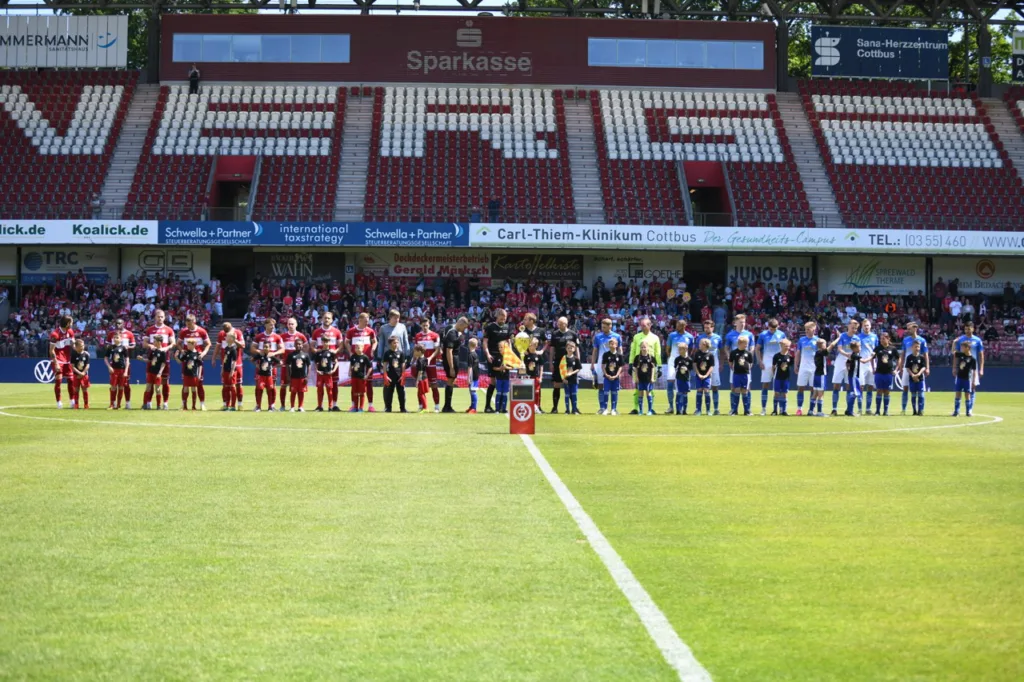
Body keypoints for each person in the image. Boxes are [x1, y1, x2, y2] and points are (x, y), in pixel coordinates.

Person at [827, 319, 860, 416]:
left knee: (849, 386)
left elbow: (858, 350)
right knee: (836, 385)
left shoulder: (857, 339)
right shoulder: (842, 336)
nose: (854, 330)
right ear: (848, 326)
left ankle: (849, 410)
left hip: (851, 363)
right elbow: (839, 349)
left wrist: (852, 356)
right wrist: (847, 355)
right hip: (841, 362)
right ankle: (834, 409)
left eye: (856, 328)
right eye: (852, 327)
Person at [143, 309, 175, 410]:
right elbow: (144, 344)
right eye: (158, 317)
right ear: (155, 317)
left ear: (164, 318)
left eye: (162, 317)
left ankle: (165, 403)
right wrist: (150, 345)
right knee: (151, 382)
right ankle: (148, 402)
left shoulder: (169, 330)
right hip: (152, 360)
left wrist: (166, 348)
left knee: (165, 381)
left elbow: (173, 343)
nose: (160, 318)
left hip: (165, 360)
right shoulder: (150, 330)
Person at [346, 312, 378, 412]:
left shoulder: (370, 331)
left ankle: (370, 405)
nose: (367, 322)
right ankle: (353, 405)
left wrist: (372, 349)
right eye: (365, 320)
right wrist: (350, 352)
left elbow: (375, 341)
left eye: (368, 320)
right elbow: (346, 342)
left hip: (367, 360)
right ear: (360, 320)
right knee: (354, 384)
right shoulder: (351, 331)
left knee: (368, 383)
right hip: (356, 362)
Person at [178, 313, 211, 410]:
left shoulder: (201, 331)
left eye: (189, 324)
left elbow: (208, 344)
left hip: (197, 360)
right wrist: (181, 350)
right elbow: (178, 343)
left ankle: (202, 404)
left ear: (194, 322)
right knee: (185, 383)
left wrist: (203, 353)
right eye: (187, 324)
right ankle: (184, 404)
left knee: (199, 382)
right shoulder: (184, 331)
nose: (188, 326)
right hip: (187, 360)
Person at [629, 317, 661, 415]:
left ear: (650, 325)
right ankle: (636, 408)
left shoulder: (655, 338)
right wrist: (631, 364)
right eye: (641, 325)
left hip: (650, 367)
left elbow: (657, 352)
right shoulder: (636, 337)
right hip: (638, 366)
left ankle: (651, 409)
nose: (642, 327)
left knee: (650, 388)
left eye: (644, 325)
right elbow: (633, 350)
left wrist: (659, 366)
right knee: (637, 388)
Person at [483, 309, 513, 413]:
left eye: (505, 317)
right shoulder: (490, 327)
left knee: (503, 381)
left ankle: (501, 407)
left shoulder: (507, 327)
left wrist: (510, 355)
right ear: (497, 316)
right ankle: (487, 406)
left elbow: (509, 342)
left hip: (504, 357)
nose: (503, 319)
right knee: (493, 382)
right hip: (493, 357)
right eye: (502, 317)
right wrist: (487, 354)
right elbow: (485, 342)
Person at [897, 322, 930, 416]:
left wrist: (927, 368)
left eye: (909, 328)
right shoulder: (905, 340)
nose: (908, 330)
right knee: (905, 388)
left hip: (919, 368)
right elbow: (902, 354)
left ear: (915, 328)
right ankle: (903, 409)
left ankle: (920, 409)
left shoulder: (922, 340)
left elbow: (926, 355)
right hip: (907, 368)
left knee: (920, 390)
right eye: (907, 328)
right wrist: (900, 366)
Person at [592, 318, 623, 416]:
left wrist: (620, 363)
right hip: (602, 364)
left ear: (610, 326)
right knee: (601, 386)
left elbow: (620, 350)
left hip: (614, 365)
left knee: (614, 387)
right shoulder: (598, 337)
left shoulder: (617, 336)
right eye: (602, 326)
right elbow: (595, 351)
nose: (603, 328)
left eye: (604, 327)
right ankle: (602, 408)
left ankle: (614, 409)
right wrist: (593, 363)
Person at [755, 318, 786, 416]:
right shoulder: (763, 335)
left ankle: (781, 408)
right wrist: (760, 361)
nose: (773, 330)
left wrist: (784, 360)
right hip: (767, 363)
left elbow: (786, 347)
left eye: (775, 328)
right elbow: (757, 349)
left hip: (779, 363)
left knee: (779, 386)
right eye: (772, 329)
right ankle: (763, 409)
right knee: (765, 385)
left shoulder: (781, 334)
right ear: (768, 327)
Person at [252, 318, 284, 412]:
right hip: (261, 365)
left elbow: (282, 349)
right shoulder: (259, 336)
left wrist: (273, 354)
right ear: (265, 325)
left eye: (274, 325)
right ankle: (258, 405)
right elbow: (252, 348)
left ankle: (272, 405)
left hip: (271, 365)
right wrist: (259, 351)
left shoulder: (277, 337)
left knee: (272, 387)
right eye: (270, 324)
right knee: (258, 386)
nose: (273, 326)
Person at [549, 316, 579, 414]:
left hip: (570, 363)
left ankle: (574, 408)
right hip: (558, 362)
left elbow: (577, 348)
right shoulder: (555, 334)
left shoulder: (573, 334)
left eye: (560, 323)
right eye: (558, 323)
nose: (558, 325)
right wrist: (550, 362)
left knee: (570, 385)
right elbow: (552, 349)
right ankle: (555, 408)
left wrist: (578, 360)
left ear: (566, 324)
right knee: (557, 385)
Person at [279, 317, 308, 414]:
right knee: (283, 385)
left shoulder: (301, 336)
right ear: (287, 325)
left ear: (296, 325)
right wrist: (280, 359)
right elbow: (279, 348)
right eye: (289, 324)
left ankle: (300, 406)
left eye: (292, 324)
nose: (291, 325)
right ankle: (283, 406)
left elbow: (306, 347)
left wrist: (302, 357)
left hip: (298, 367)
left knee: (299, 388)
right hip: (286, 365)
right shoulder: (282, 336)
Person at [665, 320, 694, 415]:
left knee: (681, 385)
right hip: (673, 360)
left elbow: (691, 349)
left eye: (679, 325)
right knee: (670, 384)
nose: (677, 326)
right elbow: (667, 349)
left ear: (684, 326)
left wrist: (686, 358)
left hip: (684, 362)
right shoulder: (672, 335)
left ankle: (681, 407)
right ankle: (671, 406)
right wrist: (671, 357)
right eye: (676, 325)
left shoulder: (689, 336)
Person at [440, 317, 469, 413]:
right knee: (450, 380)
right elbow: (449, 351)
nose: (464, 330)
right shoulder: (452, 333)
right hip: (452, 358)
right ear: (460, 323)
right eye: (464, 327)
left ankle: (447, 406)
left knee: (451, 380)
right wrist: (451, 367)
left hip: (451, 357)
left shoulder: (449, 327)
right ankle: (447, 406)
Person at [414, 317, 443, 413]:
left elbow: (437, 349)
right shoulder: (417, 336)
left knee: (434, 385)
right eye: (423, 325)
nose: (425, 327)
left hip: (431, 365)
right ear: (420, 325)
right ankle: (421, 406)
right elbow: (416, 350)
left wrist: (430, 358)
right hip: (421, 364)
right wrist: (414, 361)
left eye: (426, 325)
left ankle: (437, 406)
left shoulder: (435, 335)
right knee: (420, 385)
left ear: (429, 324)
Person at [215, 322, 245, 411]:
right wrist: (222, 368)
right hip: (226, 368)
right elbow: (224, 358)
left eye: (227, 337)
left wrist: (232, 371)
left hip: (234, 369)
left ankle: (235, 405)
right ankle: (226, 405)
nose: (225, 337)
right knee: (226, 386)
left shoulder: (234, 348)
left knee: (235, 386)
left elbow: (235, 360)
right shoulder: (226, 348)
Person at [953, 321, 985, 405]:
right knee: (958, 389)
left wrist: (981, 369)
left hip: (973, 366)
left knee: (973, 387)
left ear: (973, 329)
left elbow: (981, 355)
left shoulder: (977, 340)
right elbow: (955, 354)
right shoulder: (960, 340)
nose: (967, 330)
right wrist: (954, 367)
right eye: (966, 329)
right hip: (962, 367)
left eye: (969, 328)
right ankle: (957, 410)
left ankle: (970, 408)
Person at [106, 318, 135, 408]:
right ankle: (113, 403)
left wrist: (127, 347)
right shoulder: (111, 334)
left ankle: (127, 402)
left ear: (124, 324)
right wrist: (111, 348)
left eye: (120, 323)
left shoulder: (129, 334)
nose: (118, 325)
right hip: (114, 364)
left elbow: (134, 345)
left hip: (124, 364)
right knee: (113, 385)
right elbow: (106, 345)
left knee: (126, 384)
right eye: (117, 323)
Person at [794, 321, 821, 416]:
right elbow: (798, 353)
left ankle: (811, 409)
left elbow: (820, 355)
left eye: (808, 329)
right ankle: (799, 409)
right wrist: (796, 365)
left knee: (813, 389)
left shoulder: (818, 341)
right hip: (803, 368)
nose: (806, 331)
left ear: (814, 329)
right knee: (800, 388)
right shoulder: (801, 340)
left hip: (814, 368)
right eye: (805, 329)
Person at [48, 315, 75, 409]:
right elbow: (51, 350)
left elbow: (73, 345)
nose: (72, 324)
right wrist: (55, 363)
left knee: (71, 380)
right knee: (58, 381)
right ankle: (59, 402)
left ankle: (72, 401)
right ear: (67, 323)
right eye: (71, 322)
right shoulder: (55, 334)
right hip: (58, 360)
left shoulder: (70, 332)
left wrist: (80, 349)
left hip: (67, 360)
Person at [696, 319, 723, 415]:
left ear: (712, 327)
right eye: (705, 328)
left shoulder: (718, 338)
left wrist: (722, 363)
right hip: (702, 366)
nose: (706, 329)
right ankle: (699, 409)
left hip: (714, 365)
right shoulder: (700, 338)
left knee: (715, 387)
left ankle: (716, 408)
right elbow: (696, 351)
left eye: (708, 328)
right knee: (701, 388)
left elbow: (721, 351)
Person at [872, 332, 899, 416]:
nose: (881, 340)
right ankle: (877, 411)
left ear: (888, 339)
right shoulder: (877, 348)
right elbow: (872, 358)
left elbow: (899, 359)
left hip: (888, 373)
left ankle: (886, 411)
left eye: (883, 338)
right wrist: (873, 368)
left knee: (887, 392)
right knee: (879, 391)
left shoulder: (893, 349)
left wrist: (896, 369)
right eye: (881, 338)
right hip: (879, 372)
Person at [857, 319, 879, 416]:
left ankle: (868, 409)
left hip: (872, 364)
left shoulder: (874, 337)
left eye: (868, 325)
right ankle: (860, 409)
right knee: (861, 386)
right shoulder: (858, 337)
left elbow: (877, 350)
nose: (866, 327)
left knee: (870, 386)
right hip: (861, 364)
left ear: (871, 326)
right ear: (862, 326)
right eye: (865, 325)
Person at [844, 339, 872, 417]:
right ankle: (850, 411)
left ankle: (848, 410)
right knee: (854, 393)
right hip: (853, 377)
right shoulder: (854, 355)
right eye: (859, 346)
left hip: (854, 376)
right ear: (854, 348)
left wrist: (848, 368)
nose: (860, 348)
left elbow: (847, 363)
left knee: (856, 392)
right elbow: (863, 361)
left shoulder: (853, 355)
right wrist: (872, 357)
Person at [728, 335, 754, 416]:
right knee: (737, 390)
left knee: (745, 391)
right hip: (736, 374)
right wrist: (733, 367)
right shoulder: (733, 352)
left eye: (747, 343)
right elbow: (730, 362)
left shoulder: (748, 353)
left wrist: (748, 368)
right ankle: (734, 410)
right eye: (745, 343)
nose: (746, 345)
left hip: (745, 374)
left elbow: (751, 362)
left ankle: (747, 411)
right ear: (740, 343)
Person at [382, 336, 408, 413]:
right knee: (388, 393)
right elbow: (385, 364)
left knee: (401, 393)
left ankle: (403, 408)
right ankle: (388, 408)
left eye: (397, 342)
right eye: (394, 342)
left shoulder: (401, 353)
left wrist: (403, 375)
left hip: (399, 376)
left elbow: (403, 364)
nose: (396, 344)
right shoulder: (387, 353)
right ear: (390, 344)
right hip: (390, 376)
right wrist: (385, 375)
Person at [105, 331, 130, 410]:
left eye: (117, 337)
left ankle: (118, 404)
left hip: (122, 370)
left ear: (121, 339)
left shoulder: (123, 348)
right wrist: (109, 367)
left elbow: (127, 360)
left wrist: (126, 371)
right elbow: (105, 358)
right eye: (114, 337)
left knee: (121, 387)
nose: (115, 339)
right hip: (114, 370)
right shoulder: (110, 347)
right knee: (113, 386)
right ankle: (112, 404)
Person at [952, 340, 977, 417]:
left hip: (967, 379)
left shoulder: (972, 359)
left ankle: (968, 411)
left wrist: (973, 381)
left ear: (968, 348)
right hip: (959, 377)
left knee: (967, 395)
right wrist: (954, 342)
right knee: (958, 394)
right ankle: (956, 411)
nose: (961, 348)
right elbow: (953, 352)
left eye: (963, 347)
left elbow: (974, 371)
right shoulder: (961, 355)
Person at [285, 338, 312, 412]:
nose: (298, 345)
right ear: (294, 345)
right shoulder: (291, 355)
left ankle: (300, 407)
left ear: (302, 345)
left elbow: (309, 365)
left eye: (300, 344)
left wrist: (307, 376)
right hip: (293, 377)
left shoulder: (305, 355)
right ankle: (292, 407)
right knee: (293, 392)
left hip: (302, 377)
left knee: (301, 392)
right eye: (297, 344)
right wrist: (288, 375)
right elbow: (287, 365)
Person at [600, 337, 625, 416]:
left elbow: (621, 367)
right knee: (606, 392)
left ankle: (613, 409)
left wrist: (617, 375)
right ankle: (605, 409)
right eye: (610, 343)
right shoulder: (606, 354)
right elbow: (603, 365)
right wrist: (606, 374)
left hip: (615, 378)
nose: (612, 345)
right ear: (608, 345)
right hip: (607, 377)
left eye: (614, 343)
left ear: (616, 345)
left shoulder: (619, 356)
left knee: (614, 393)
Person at [632, 341, 657, 416]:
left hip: (648, 379)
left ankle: (649, 410)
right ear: (640, 348)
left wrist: (652, 377)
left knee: (648, 393)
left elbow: (653, 368)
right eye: (642, 347)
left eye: (645, 347)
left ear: (648, 348)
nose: (643, 348)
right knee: (640, 394)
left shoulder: (651, 358)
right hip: (640, 379)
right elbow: (636, 368)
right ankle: (641, 411)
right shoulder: (637, 357)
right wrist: (636, 377)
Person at [178, 338, 204, 411]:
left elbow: (200, 365)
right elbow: (180, 361)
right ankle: (185, 406)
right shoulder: (186, 353)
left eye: (189, 344)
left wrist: (199, 374)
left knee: (193, 389)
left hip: (194, 374)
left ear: (194, 345)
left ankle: (193, 406)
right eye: (187, 344)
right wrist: (176, 357)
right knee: (185, 389)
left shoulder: (198, 354)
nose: (187, 346)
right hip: (186, 374)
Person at [770, 338, 793, 416]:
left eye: (788, 346)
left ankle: (784, 410)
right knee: (776, 393)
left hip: (786, 378)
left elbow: (791, 366)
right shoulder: (776, 356)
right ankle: (775, 410)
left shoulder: (790, 356)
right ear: (781, 346)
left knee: (784, 393)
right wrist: (774, 375)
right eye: (786, 346)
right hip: (778, 377)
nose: (787, 347)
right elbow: (773, 367)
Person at [559, 340, 582, 415]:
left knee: (574, 395)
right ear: (566, 349)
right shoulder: (564, 358)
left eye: (572, 348)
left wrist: (572, 373)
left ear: (574, 349)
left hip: (574, 380)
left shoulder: (576, 358)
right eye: (568, 348)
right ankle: (567, 410)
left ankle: (574, 410)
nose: (570, 349)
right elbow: (561, 369)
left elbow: (578, 368)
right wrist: (563, 378)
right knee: (567, 395)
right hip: (566, 380)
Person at [313, 343, 339, 412]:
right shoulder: (319, 353)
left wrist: (333, 370)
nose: (325, 343)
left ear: (329, 342)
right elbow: (315, 362)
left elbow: (336, 362)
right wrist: (317, 370)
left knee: (329, 391)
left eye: (327, 342)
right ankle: (320, 406)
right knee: (319, 391)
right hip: (320, 374)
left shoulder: (331, 353)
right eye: (324, 342)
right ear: (322, 342)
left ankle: (330, 407)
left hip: (328, 374)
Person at [693, 338, 714, 416]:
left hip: (707, 376)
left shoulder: (710, 355)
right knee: (699, 390)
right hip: (698, 376)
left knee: (706, 390)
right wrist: (698, 374)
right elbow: (694, 364)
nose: (699, 345)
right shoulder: (697, 353)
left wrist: (706, 375)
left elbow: (712, 366)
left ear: (705, 345)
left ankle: (708, 410)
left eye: (700, 343)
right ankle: (698, 410)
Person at [905, 341, 927, 416]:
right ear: (912, 347)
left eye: (918, 347)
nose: (917, 348)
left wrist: (918, 374)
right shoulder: (909, 357)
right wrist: (912, 375)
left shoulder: (921, 357)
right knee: (913, 395)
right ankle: (914, 411)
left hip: (920, 379)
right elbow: (907, 368)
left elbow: (924, 367)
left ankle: (920, 410)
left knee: (921, 394)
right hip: (912, 379)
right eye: (915, 347)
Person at [349, 343, 373, 413]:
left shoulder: (365, 357)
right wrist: (349, 371)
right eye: (356, 348)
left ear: (363, 348)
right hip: (354, 377)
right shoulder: (353, 356)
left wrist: (367, 375)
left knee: (362, 393)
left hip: (361, 378)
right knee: (355, 393)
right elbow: (351, 365)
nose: (357, 349)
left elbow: (370, 367)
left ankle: (361, 408)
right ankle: (355, 408)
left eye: (359, 347)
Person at [522, 338, 544, 415]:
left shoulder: (538, 355)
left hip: (536, 377)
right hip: (527, 377)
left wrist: (541, 377)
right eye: (530, 344)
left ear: (536, 346)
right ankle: (528, 407)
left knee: (537, 392)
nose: (531, 346)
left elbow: (541, 366)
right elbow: (522, 365)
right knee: (527, 393)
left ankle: (536, 407)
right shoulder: (525, 355)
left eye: (533, 345)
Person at [672, 341, 693, 415]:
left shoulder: (689, 359)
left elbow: (691, 369)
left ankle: (684, 410)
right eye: (679, 349)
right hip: (679, 378)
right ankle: (678, 410)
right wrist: (680, 369)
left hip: (686, 379)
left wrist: (686, 369)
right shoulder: (677, 359)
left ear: (685, 350)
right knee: (679, 393)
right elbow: (675, 368)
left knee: (685, 394)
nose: (679, 351)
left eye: (680, 349)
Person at [69, 339, 91, 410]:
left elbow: (87, 365)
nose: (83, 347)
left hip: (84, 375)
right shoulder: (73, 354)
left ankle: (86, 404)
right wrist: (79, 373)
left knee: (85, 390)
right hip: (76, 375)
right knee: (76, 390)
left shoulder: (86, 354)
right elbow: (72, 366)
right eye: (81, 346)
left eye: (83, 345)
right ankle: (76, 404)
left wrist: (83, 373)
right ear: (77, 346)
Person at [811, 338, 829, 417]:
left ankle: (811, 411)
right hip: (821, 375)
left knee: (815, 393)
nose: (826, 345)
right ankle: (819, 411)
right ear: (822, 345)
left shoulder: (817, 352)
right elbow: (831, 346)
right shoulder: (821, 352)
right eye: (825, 344)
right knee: (821, 394)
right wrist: (838, 338)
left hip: (816, 375)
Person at [411, 344, 430, 412]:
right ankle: (422, 407)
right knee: (420, 393)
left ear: (419, 351)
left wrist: (417, 380)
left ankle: (425, 408)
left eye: (415, 351)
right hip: (425, 377)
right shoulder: (424, 358)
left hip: (421, 378)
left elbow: (420, 371)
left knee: (421, 393)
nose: (414, 352)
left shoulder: (420, 360)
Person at [466, 338, 481, 414]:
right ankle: (472, 406)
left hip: (473, 376)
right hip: (476, 375)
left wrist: (468, 378)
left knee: (473, 392)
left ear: (469, 345)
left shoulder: (470, 355)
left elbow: (470, 367)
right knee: (472, 391)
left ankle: (474, 408)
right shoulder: (475, 354)